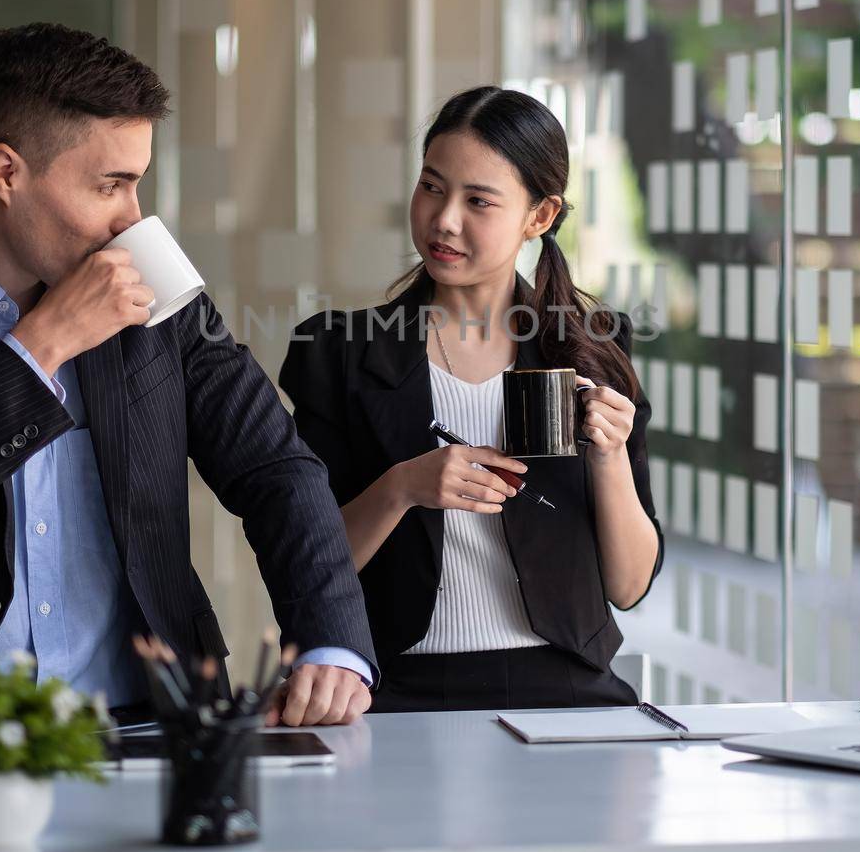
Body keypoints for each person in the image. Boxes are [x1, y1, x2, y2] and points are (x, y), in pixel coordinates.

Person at [0, 23, 374, 728]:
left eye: (137, 183)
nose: (134, 219)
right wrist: (42, 344)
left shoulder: (155, 287)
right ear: (5, 173)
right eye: (110, 185)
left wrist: (332, 646)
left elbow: (275, 468)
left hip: (146, 721)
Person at [278, 86, 662, 712]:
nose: (443, 219)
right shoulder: (340, 352)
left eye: (478, 200)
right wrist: (403, 486)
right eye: (431, 186)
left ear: (539, 216)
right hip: (393, 689)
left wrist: (610, 456)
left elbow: (628, 585)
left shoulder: (592, 350)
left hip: (565, 689)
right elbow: (309, 561)